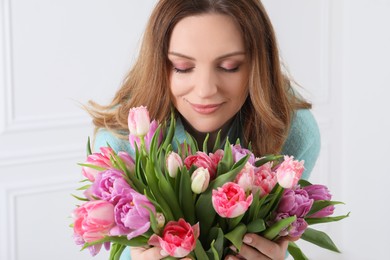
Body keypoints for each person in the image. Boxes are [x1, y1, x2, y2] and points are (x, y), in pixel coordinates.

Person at [86, 0, 321, 259]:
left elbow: (280, 238)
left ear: (257, 65)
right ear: (158, 64)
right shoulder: (120, 140)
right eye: (182, 67)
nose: (205, 89)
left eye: (229, 66)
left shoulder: (293, 130)